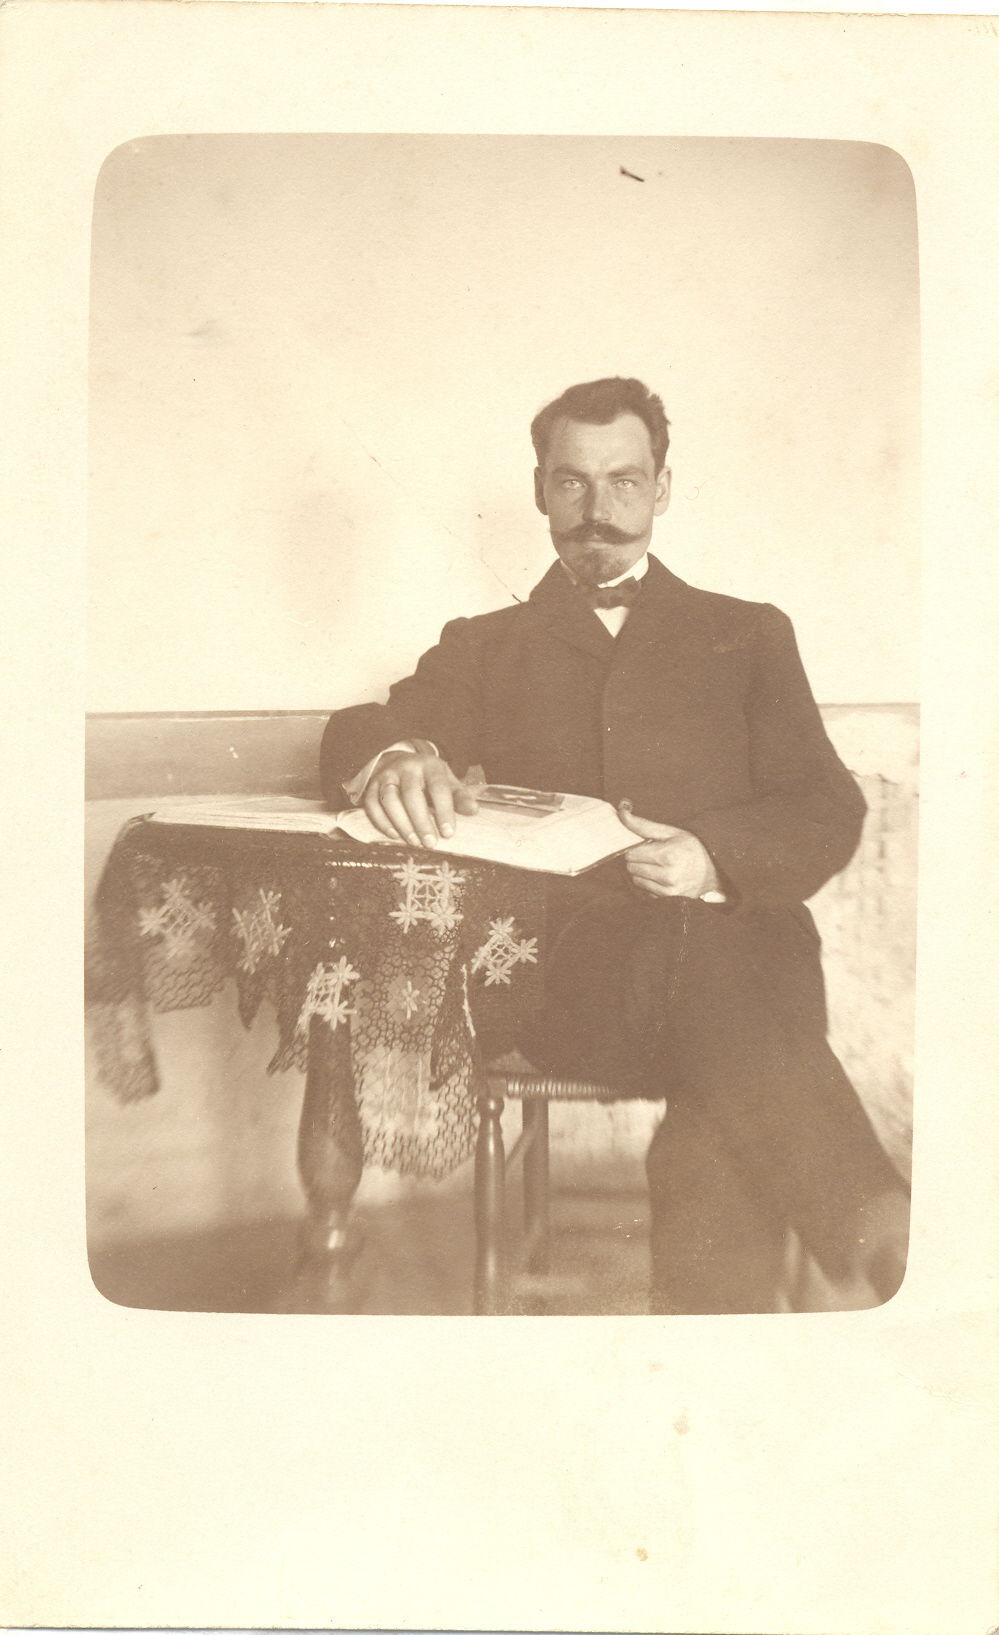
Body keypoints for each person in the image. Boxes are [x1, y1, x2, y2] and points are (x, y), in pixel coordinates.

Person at [319, 377, 909, 1314]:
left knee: (720, 1051)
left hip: (737, 956)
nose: (597, 510)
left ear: (661, 488)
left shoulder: (749, 634)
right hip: (573, 980)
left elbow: (823, 805)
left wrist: (710, 856)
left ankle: (709, 1340)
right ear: (541, 490)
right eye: (572, 482)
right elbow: (365, 727)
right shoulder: (484, 644)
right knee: (741, 1028)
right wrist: (397, 757)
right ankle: (878, 1231)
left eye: (624, 481)